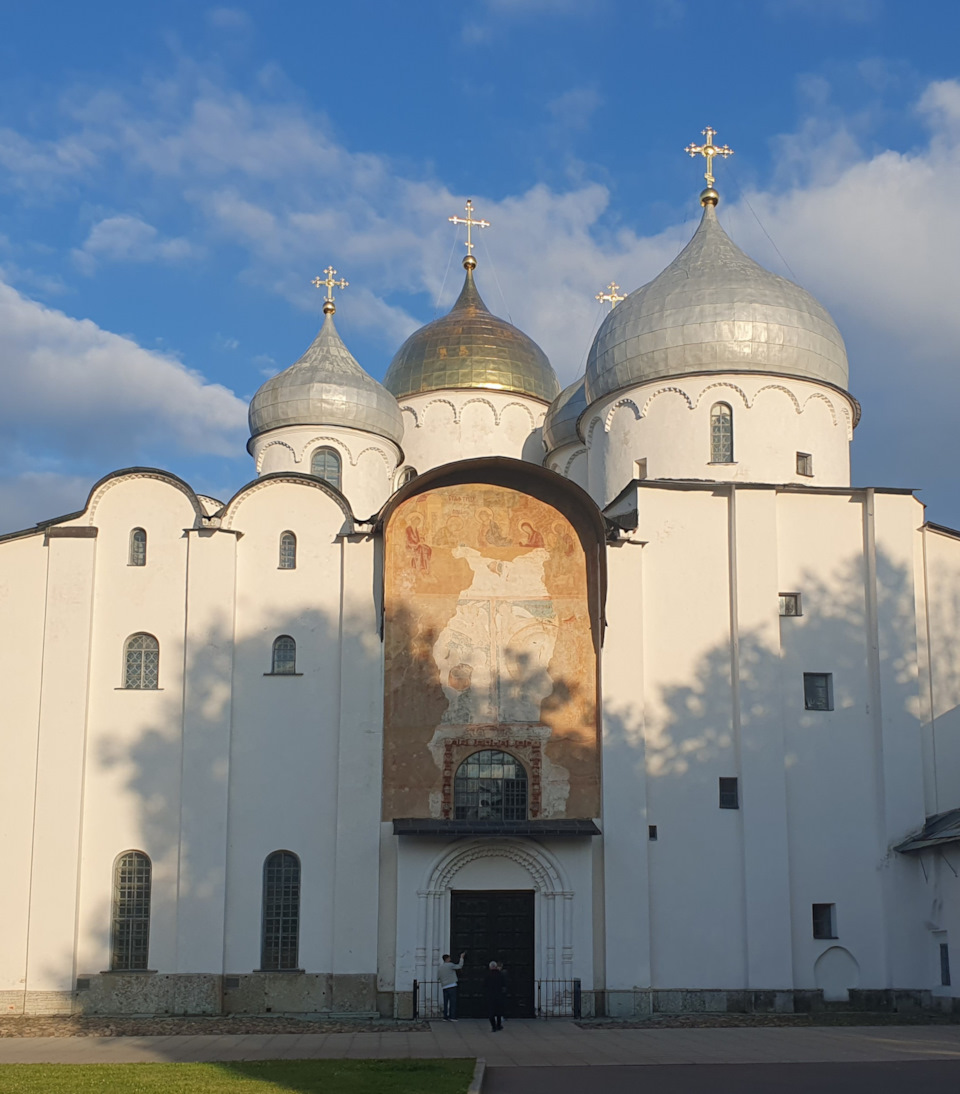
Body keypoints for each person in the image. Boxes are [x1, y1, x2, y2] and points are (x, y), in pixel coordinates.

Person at [438, 952, 465, 1021]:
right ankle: (452, 1016)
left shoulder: (440, 967)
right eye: (449, 958)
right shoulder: (450, 965)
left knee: (445, 1002)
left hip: (444, 986)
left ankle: (445, 1016)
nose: (450, 959)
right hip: (452, 985)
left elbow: (438, 977)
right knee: (453, 1002)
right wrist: (461, 957)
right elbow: (459, 966)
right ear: (447, 959)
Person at [484, 960, 505, 1032]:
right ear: (496, 967)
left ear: (490, 967)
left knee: (491, 1012)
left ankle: (493, 1026)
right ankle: (499, 1025)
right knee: (499, 1011)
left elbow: (484, 985)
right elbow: (504, 984)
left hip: (490, 995)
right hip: (499, 995)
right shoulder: (501, 974)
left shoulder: (487, 975)